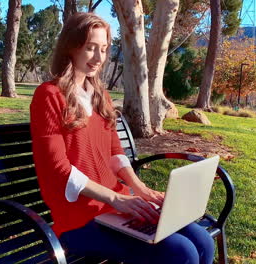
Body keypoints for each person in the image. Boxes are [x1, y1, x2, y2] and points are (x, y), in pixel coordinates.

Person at [30, 12, 214, 264]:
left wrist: (140, 189)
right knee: (181, 252)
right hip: (78, 219)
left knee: (203, 241)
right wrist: (116, 198)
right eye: (90, 48)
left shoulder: (99, 96)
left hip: (117, 206)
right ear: (71, 47)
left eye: (104, 49)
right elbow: (58, 169)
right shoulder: (49, 95)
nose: (98, 58)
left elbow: (116, 152)